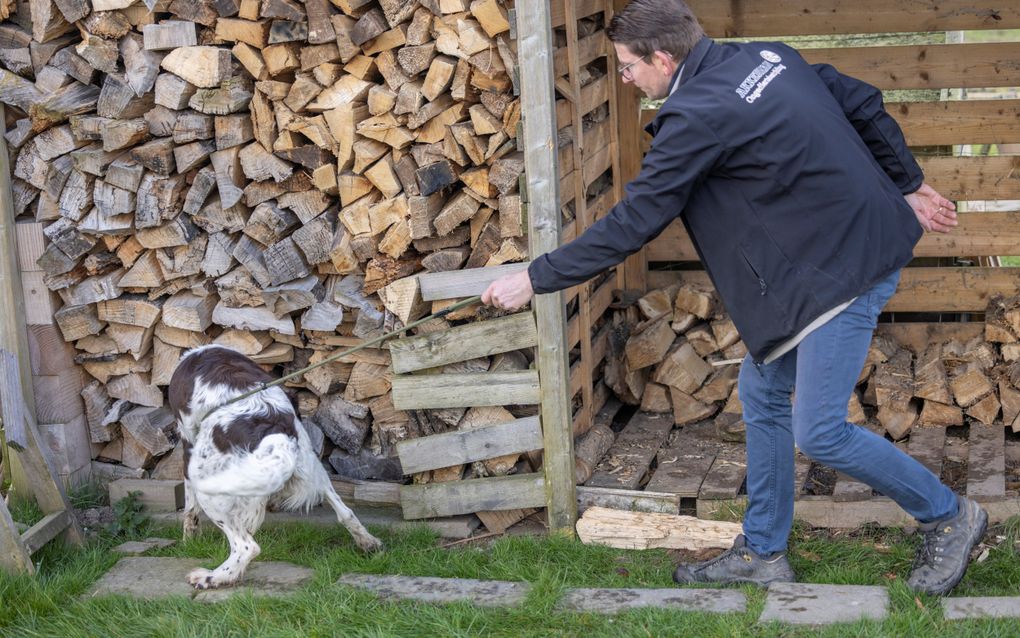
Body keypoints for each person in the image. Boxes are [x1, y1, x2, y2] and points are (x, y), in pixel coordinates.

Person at [482, 0, 987, 596]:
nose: (624, 79)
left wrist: (536, 277)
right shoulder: (765, 57)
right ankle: (764, 553)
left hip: (837, 276)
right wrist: (909, 182)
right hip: (844, 251)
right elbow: (863, 103)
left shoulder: (696, 115)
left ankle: (950, 515)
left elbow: (636, 220)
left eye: (626, 67)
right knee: (762, 388)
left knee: (821, 431)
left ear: (663, 58)